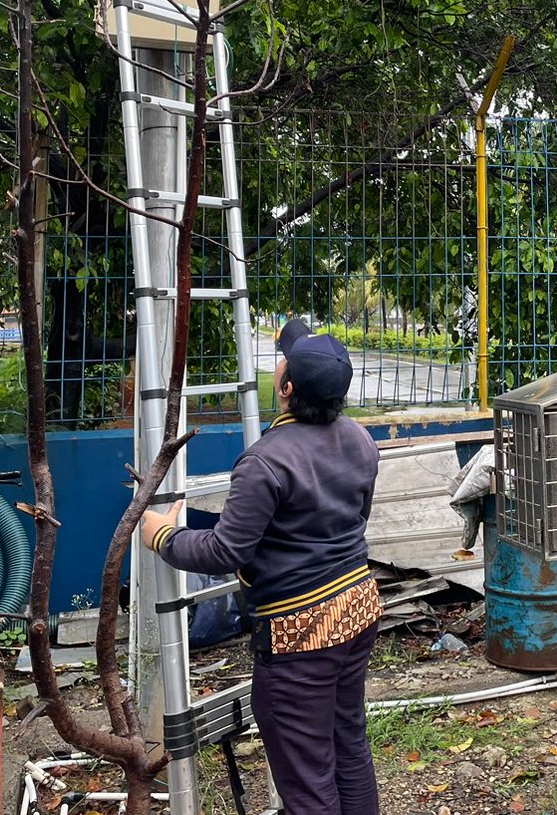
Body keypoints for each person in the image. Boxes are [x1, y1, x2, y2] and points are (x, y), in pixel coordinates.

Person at [142, 320, 381, 815]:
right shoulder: (360, 439)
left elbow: (224, 552)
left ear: (287, 386)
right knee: (347, 744)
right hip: (358, 610)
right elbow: (358, 517)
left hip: (301, 635)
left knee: (307, 772)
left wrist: (162, 536)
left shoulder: (266, 461)